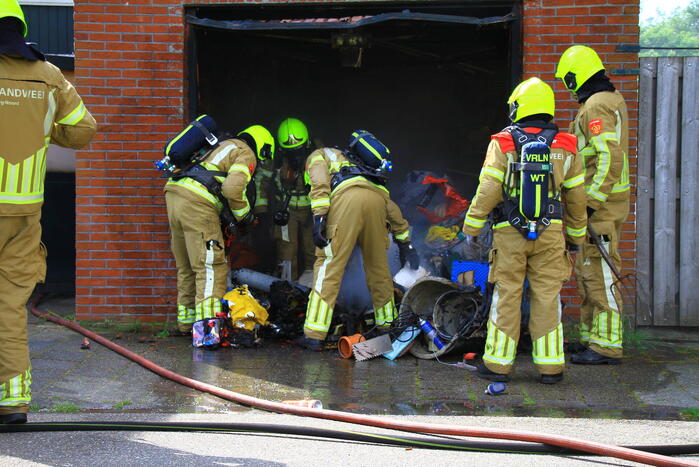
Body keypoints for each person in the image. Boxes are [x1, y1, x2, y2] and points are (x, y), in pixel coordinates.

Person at [0, 0, 97, 424]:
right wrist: (41, 127)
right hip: (23, 213)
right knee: (8, 308)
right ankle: (12, 402)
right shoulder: (48, 74)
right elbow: (83, 130)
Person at [462, 77, 587, 384]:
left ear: (518, 107)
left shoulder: (503, 142)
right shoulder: (567, 144)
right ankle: (551, 368)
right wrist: (576, 236)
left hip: (509, 232)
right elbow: (576, 196)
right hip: (551, 233)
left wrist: (472, 226)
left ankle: (498, 365)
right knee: (547, 297)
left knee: (507, 295)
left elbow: (489, 188)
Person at [298, 131, 419, 350]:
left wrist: (319, 216)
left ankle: (314, 334)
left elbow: (319, 184)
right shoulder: (368, 172)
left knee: (329, 267)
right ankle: (386, 327)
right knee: (379, 270)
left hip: (347, 200)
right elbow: (393, 212)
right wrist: (406, 244)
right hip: (376, 204)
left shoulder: (320, 155)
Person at [555, 45, 630, 365]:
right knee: (588, 271)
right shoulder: (609, 99)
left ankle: (607, 346)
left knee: (600, 273)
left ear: (576, 76)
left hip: (600, 207)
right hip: (604, 204)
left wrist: (590, 204)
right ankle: (591, 338)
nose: (568, 87)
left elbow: (608, 157)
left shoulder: (597, 105)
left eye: (567, 80)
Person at [164, 123, 274, 334]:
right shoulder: (246, 152)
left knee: (187, 266)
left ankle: (186, 324)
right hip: (197, 201)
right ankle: (207, 330)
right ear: (263, 147)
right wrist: (245, 216)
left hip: (175, 193)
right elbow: (232, 189)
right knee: (211, 267)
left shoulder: (220, 144)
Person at [269, 117, 316, 283]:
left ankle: (313, 286)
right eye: (290, 151)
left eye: (299, 150)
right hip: (287, 212)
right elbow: (265, 182)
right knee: (286, 250)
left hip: (312, 211)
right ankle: (287, 287)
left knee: (313, 248)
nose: (295, 155)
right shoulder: (276, 160)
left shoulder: (317, 156)